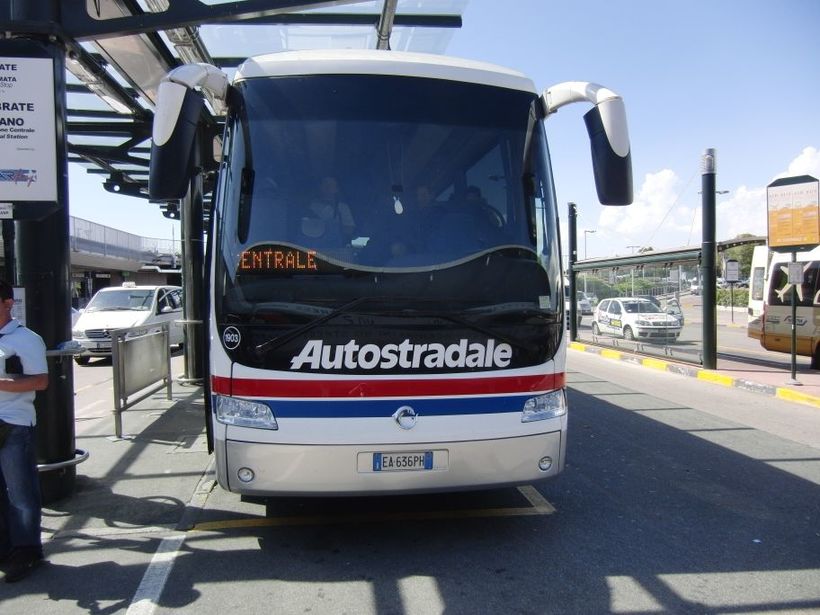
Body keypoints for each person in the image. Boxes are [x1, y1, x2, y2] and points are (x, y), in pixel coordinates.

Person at [0, 281, 49, 583]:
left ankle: (27, 550)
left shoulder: (25, 339)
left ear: (7, 303)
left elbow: (40, 381)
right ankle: (6, 548)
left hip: (13, 424)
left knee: (20, 491)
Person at [301, 176, 356, 243]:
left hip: (334, 247)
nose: (328, 187)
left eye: (331, 185)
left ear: (336, 189)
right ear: (320, 187)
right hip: (310, 246)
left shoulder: (342, 207)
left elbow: (350, 229)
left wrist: (336, 228)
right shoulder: (309, 206)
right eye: (325, 184)